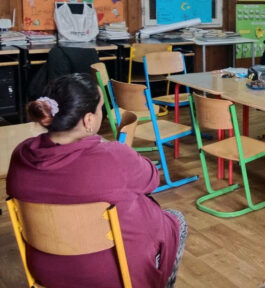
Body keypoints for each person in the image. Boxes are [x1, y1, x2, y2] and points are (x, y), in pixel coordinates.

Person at [6, 73, 187, 287]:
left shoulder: (22, 154)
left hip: (45, 271)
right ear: (89, 120)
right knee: (177, 220)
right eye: (101, 107)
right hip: (111, 275)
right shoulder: (113, 156)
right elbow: (152, 179)